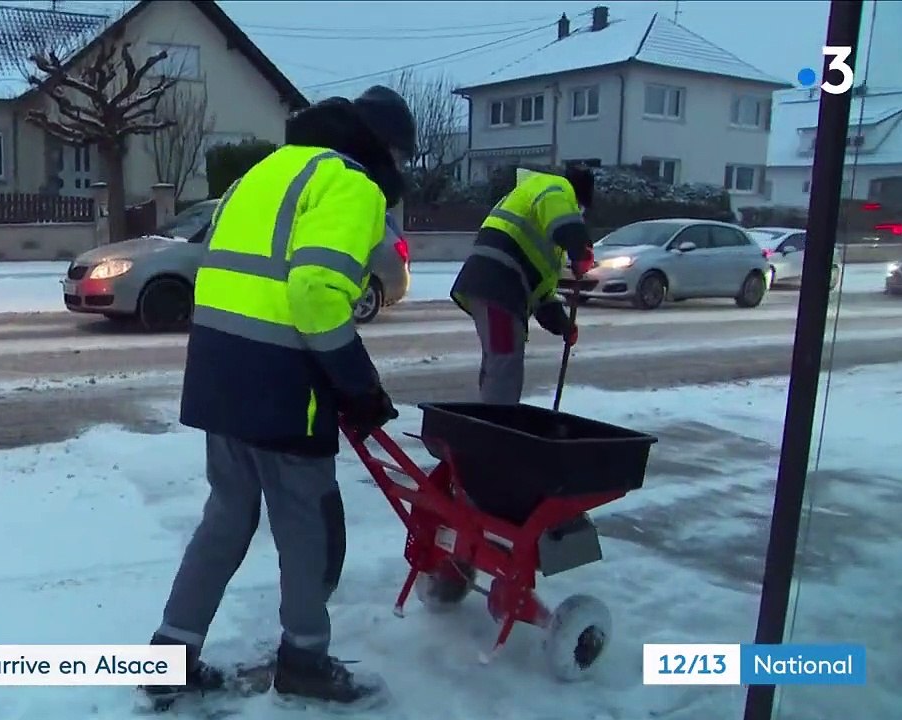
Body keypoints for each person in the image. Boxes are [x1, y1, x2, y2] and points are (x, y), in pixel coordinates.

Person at [143, 85, 415, 710]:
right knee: (305, 524)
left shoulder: (268, 169)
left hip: (217, 366)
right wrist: (358, 384)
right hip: (285, 378)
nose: (400, 173)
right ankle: (305, 662)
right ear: (382, 148)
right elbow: (315, 291)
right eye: (400, 158)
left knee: (227, 517)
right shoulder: (350, 184)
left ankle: (167, 659)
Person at [449, 165, 597, 406]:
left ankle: (494, 421)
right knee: (505, 362)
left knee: (500, 360)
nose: (579, 215)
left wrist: (563, 324)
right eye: (579, 210)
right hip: (498, 284)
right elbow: (565, 222)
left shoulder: (548, 237)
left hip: (497, 287)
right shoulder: (555, 188)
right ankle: (499, 430)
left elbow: (542, 294)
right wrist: (580, 248)